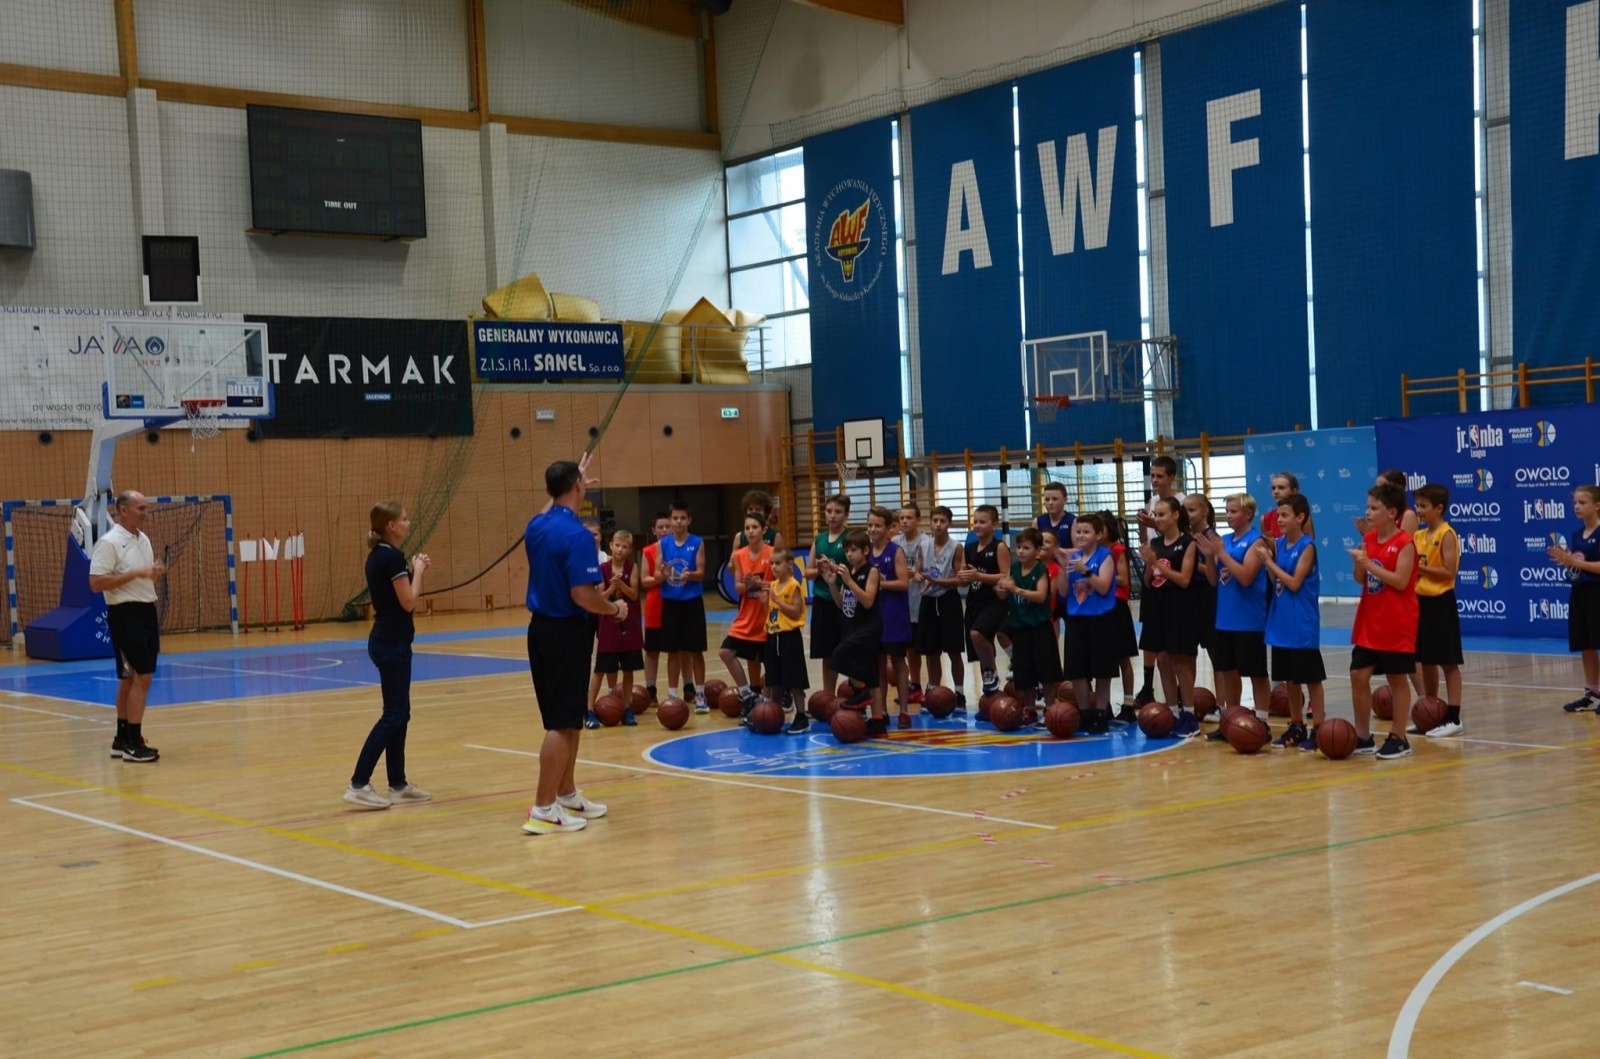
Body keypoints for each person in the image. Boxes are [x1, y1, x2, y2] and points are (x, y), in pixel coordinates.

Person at [522, 456, 620, 835]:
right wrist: (614, 609)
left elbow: (551, 506)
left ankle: (566, 793)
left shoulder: (536, 526)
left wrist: (570, 479)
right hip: (567, 631)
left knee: (570, 718)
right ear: (579, 488)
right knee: (562, 724)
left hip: (540, 631)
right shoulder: (578, 535)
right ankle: (543, 808)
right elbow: (583, 595)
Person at [339, 501, 433, 807]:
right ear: (391, 526)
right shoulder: (390, 558)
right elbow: (408, 602)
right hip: (391, 643)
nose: (408, 523)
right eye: (404, 519)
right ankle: (359, 783)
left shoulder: (382, 556)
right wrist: (418, 571)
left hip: (391, 641)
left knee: (400, 714)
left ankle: (398, 784)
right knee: (393, 714)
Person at [89, 490, 166, 764]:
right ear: (123, 510)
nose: (145, 512)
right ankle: (134, 743)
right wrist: (135, 574)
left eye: (146, 508)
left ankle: (122, 739)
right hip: (125, 614)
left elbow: (140, 576)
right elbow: (96, 583)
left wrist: (151, 574)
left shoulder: (143, 539)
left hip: (146, 611)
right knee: (143, 676)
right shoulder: (109, 542)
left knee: (130, 678)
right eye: (140, 508)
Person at [1348, 482, 1420, 761]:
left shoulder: (1404, 543)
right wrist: (1359, 563)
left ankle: (1399, 737)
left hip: (1396, 621)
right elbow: (1360, 579)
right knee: (1358, 675)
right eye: (1368, 507)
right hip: (1370, 619)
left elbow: (1401, 582)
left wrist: (1368, 565)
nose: (1368, 512)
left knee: (1397, 679)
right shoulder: (1368, 540)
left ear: (1391, 512)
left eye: (1374, 508)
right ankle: (1363, 736)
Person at [1197, 494, 1273, 741]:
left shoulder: (1256, 541)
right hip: (1225, 618)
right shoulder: (1226, 541)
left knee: (1256, 673)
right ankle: (1230, 719)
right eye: (1227, 511)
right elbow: (1212, 579)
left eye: (1233, 511)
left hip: (1249, 619)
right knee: (1228, 672)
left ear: (1248, 514)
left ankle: (1262, 721)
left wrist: (1221, 553)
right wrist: (1210, 556)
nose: (1228, 515)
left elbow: (1246, 576)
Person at [1259, 494, 1326, 751]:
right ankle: (1296, 724)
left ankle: (1319, 727)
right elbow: (1274, 580)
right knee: (1290, 680)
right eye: (1279, 515)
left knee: (1311, 678)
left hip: (1301, 623)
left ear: (1300, 517)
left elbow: (1295, 582)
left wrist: (1269, 561)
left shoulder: (1307, 546)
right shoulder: (1280, 543)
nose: (1280, 520)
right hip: (1281, 621)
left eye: (1285, 515)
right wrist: (1268, 560)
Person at [1139, 496, 1201, 736]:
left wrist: (1157, 564)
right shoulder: (1155, 545)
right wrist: (1148, 565)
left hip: (1180, 606)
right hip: (1157, 605)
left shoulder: (1188, 543)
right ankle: (1172, 712)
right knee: (1162, 660)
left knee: (1179, 662)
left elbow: (1184, 580)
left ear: (1176, 515)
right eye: (1156, 515)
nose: (1158, 519)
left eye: (1162, 514)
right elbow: (1148, 581)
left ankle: (1189, 713)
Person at [1411, 484, 1464, 737]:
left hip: (1441, 602)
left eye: (1423, 506)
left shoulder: (1447, 534)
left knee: (1449, 662)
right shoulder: (1419, 536)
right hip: (1419, 602)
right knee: (1425, 660)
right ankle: (1429, 710)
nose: (1418, 510)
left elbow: (1449, 571)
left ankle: (1454, 718)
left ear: (1438, 508)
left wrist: (1418, 569)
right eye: (1417, 505)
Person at [1060, 513, 1118, 733]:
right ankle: (1084, 713)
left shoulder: (1105, 556)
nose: (1081, 536)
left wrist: (1085, 571)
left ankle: (1100, 713)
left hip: (1100, 619)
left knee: (1102, 671)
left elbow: (1103, 587)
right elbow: (1064, 592)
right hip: (1076, 619)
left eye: (1086, 532)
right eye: (1078, 532)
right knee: (1077, 671)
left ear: (1099, 534)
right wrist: (1064, 571)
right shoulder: (1073, 557)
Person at [1133, 455, 1184, 705]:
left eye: (1159, 476)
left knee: (1175, 647)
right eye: (1152, 475)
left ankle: (1184, 697)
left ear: (1172, 477)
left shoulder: (1181, 502)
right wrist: (1142, 528)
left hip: (1173, 575)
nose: (1154, 480)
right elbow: (1150, 538)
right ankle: (1149, 686)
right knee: (1152, 638)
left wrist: (1155, 523)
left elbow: (1182, 536)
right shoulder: (1152, 501)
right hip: (1154, 572)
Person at [998, 527, 1061, 718]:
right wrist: (1001, 589)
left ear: (1037, 550)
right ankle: (1030, 709)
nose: (1021, 551)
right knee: (1024, 674)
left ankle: (1050, 709)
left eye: (1026, 547)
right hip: (1020, 627)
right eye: (1019, 547)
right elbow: (1003, 593)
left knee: (1046, 673)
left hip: (1040, 627)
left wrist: (1015, 589)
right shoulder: (1014, 567)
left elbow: (1041, 596)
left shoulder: (1041, 569)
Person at [1550, 484, 1600, 712]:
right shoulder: (1576, 535)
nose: (1577, 507)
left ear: (1597, 506)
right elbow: (1578, 564)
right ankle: (1592, 692)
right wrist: (1567, 561)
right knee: (1586, 645)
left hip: (1597, 592)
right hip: (1579, 592)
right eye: (1575, 503)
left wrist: (1575, 563)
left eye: (1582, 503)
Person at [819, 529, 881, 712]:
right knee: (871, 676)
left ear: (865, 551)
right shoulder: (849, 572)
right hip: (852, 626)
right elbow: (841, 604)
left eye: (854, 550)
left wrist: (849, 582)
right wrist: (832, 584)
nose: (849, 554)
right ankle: (878, 721)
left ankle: (861, 692)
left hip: (868, 627)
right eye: (847, 551)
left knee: (838, 655)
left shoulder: (872, 571)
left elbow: (868, 601)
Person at [719, 514, 774, 720]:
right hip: (746, 617)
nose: (750, 531)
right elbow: (738, 587)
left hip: (767, 618)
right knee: (726, 652)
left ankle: (767, 705)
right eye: (747, 528)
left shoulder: (772, 554)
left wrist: (757, 584)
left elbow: (780, 584)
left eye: (754, 527)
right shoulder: (740, 555)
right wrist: (750, 584)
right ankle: (747, 694)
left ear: (763, 530)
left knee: (770, 664)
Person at [587, 529, 643, 728]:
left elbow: (634, 595)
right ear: (611, 545)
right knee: (600, 670)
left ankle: (627, 708)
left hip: (630, 626)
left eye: (625, 547)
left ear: (629, 550)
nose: (620, 549)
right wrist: (612, 588)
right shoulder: (602, 568)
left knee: (628, 670)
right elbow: (599, 597)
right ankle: (589, 710)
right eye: (617, 545)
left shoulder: (632, 567)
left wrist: (622, 585)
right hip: (609, 627)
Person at [914, 505, 966, 711]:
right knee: (931, 652)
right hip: (927, 601)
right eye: (935, 520)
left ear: (949, 524)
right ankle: (933, 691)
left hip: (948, 600)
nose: (938, 524)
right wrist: (918, 577)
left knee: (954, 650)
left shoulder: (956, 547)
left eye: (942, 521)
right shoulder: (923, 545)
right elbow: (917, 571)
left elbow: (960, 581)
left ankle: (960, 692)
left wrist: (937, 582)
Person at [659, 501, 708, 712]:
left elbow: (701, 572)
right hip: (670, 603)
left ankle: (700, 695)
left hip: (691, 603)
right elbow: (660, 570)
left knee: (695, 651)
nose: (678, 521)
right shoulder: (664, 544)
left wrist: (691, 575)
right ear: (670, 521)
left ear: (689, 520)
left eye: (682, 518)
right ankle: (672, 695)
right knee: (673, 652)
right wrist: (662, 572)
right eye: (675, 518)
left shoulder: (697, 542)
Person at [867, 506, 913, 730]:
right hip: (873, 616)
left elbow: (904, 583)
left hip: (894, 615)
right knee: (877, 665)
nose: (873, 529)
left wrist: (879, 583)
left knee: (897, 662)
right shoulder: (865, 552)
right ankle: (881, 710)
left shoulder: (896, 551)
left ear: (888, 529)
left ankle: (904, 710)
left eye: (878, 525)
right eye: (870, 525)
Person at [760, 545, 811, 734]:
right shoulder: (773, 585)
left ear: (790, 564)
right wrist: (766, 604)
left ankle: (801, 716)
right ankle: (772, 716)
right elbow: (773, 615)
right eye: (772, 563)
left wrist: (779, 602)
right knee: (774, 679)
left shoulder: (793, 585)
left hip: (789, 637)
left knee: (795, 679)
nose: (774, 567)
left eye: (778, 563)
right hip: (773, 635)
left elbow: (796, 611)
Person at [962, 504, 1011, 696]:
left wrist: (979, 577)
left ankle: (1002, 667)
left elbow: (1005, 576)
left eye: (983, 522)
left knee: (977, 634)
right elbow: (967, 575)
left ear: (995, 525)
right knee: (980, 647)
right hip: (974, 601)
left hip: (995, 602)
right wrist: (962, 575)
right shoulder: (970, 547)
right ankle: (990, 690)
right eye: (975, 522)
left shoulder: (999, 547)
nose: (977, 525)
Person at [1098, 511, 1142, 722]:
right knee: (1101, 659)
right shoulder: (1091, 551)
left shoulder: (1117, 550)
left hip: (1116, 607)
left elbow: (1124, 579)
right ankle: (1102, 705)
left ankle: (1127, 704)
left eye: (1100, 528)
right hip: (1098, 608)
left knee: (1123, 657)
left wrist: (1098, 576)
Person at [808, 494, 851, 697]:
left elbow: (857, 569)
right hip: (823, 601)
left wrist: (833, 568)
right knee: (827, 653)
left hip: (844, 602)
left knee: (849, 651)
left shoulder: (850, 539)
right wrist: (820, 568)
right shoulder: (820, 539)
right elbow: (807, 572)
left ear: (846, 515)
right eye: (829, 511)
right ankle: (828, 696)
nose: (833, 516)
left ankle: (856, 693)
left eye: (838, 512)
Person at [894, 503, 928, 703]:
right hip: (900, 601)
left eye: (909, 517)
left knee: (921, 648)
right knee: (906, 648)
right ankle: (913, 685)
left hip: (920, 600)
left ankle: (929, 686)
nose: (904, 521)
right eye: (902, 518)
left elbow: (925, 572)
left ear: (918, 520)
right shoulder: (895, 542)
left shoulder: (926, 542)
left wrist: (910, 572)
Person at [639, 511, 671, 704]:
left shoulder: (681, 548)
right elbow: (644, 580)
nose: (665, 530)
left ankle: (687, 687)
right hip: (655, 605)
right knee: (652, 651)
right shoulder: (648, 551)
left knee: (680, 650)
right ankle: (650, 689)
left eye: (667, 526)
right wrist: (659, 578)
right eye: (661, 527)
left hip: (676, 603)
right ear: (654, 530)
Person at [1036, 481, 1076, 548]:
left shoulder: (1073, 521)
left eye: (1055, 499)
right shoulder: (1037, 521)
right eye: (1047, 499)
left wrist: (1054, 551)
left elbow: (1079, 550)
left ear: (1065, 500)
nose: (1050, 503)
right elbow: (1033, 548)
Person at [1261, 472, 1299, 539]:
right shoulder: (1265, 519)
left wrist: (1276, 545)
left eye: (1281, 488)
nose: (1276, 491)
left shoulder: (1301, 517)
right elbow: (1266, 547)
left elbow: (1308, 546)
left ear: (1293, 491)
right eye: (1273, 488)